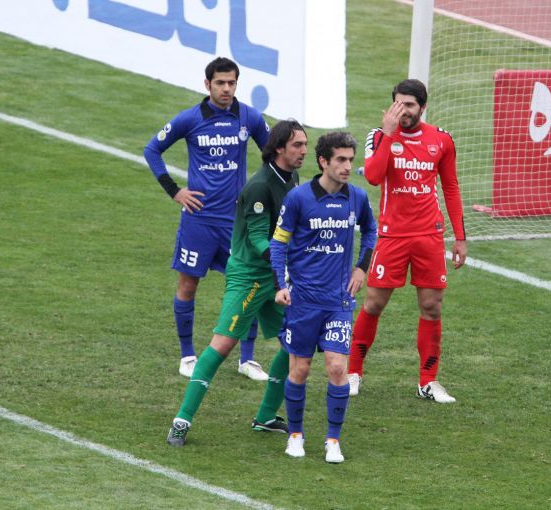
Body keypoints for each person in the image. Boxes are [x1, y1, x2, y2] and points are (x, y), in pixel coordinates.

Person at [167, 119, 309, 447]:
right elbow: (259, 239)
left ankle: (265, 416)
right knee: (222, 344)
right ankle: (182, 421)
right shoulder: (260, 186)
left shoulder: (291, 178)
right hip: (250, 277)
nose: (304, 151)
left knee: (295, 341)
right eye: (297, 145)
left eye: (305, 144)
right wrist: (283, 266)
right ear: (279, 148)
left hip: (275, 275)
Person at [144, 56, 268, 381]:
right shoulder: (190, 119)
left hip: (235, 223)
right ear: (207, 84)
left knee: (249, 285)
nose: (226, 89)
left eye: (231, 83)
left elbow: (274, 156)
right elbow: (152, 150)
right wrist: (175, 191)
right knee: (188, 285)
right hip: (198, 221)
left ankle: (247, 359)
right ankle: (187, 355)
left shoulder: (250, 118)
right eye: (220, 83)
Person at [347, 79, 467, 403]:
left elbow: (451, 188)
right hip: (393, 236)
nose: (403, 111)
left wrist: (460, 237)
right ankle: (353, 372)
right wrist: (388, 134)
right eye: (398, 104)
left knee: (431, 307)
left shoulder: (441, 140)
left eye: (410, 105)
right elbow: (374, 176)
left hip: (429, 236)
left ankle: (428, 381)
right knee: (374, 304)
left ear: (423, 107)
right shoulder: (378, 136)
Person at [270, 132, 376, 463]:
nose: (347, 166)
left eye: (350, 160)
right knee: (300, 370)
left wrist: (361, 268)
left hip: (338, 302)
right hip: (302, 301)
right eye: (341, 160)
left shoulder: (357, 198)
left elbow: (371, 231)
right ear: (323, 161)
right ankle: (296, 435)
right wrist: (280, 284)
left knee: (337, 367)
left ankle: (333, 440)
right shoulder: (298, 198)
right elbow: (278, 242)